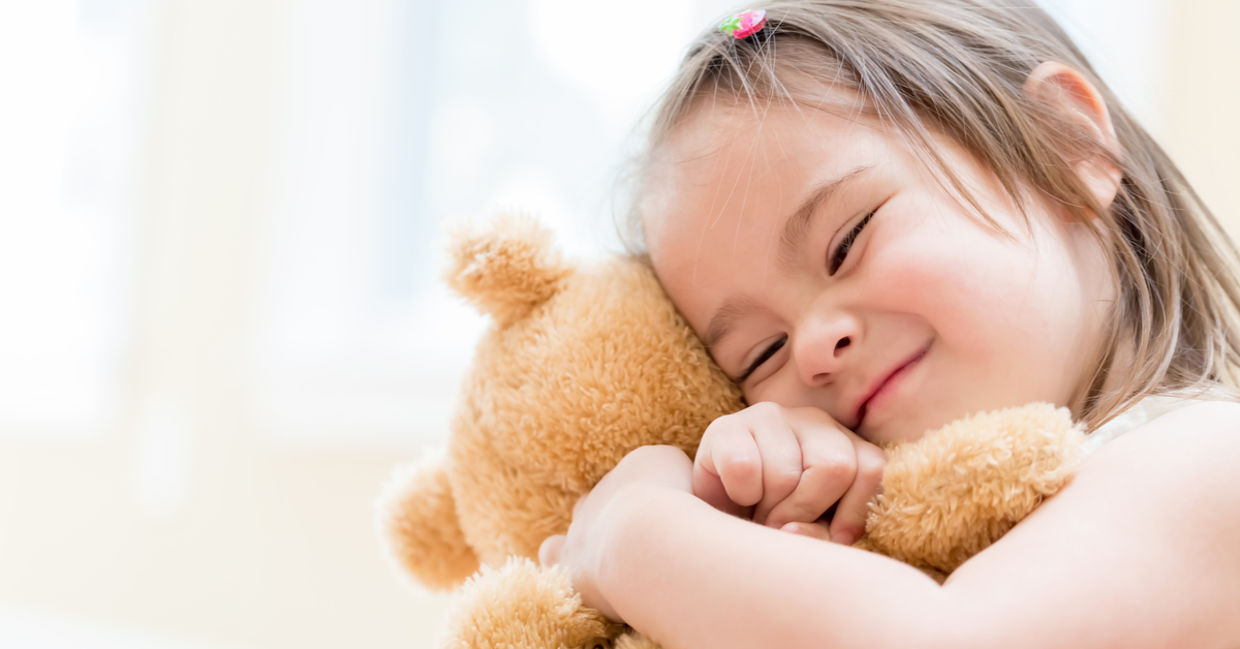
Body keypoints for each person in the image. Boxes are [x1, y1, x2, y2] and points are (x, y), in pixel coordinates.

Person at [537, 1, 1240, 647]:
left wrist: (635, 534)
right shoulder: (897, 560)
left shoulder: (1208, 457)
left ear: (1065, 143)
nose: (814, 348)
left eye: (847, 244)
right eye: (762, 353)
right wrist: (744, 509)